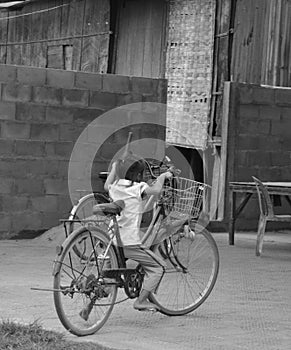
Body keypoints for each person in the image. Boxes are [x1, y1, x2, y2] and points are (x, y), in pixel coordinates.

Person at [104, 155, 173, 311]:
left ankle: (92, 301)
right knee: (158, 268)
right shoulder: (137, 188)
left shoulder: (114, 186)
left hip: (112, 241)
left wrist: (114, 169)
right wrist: (163, 176)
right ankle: (140, 301)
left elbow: (106, 184)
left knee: (108, 276)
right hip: (129, 243)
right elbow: (156, 190)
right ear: (138, 176)